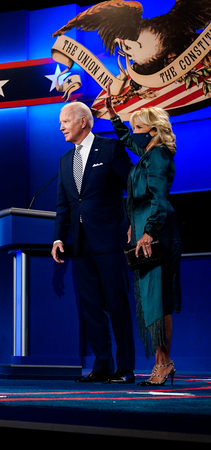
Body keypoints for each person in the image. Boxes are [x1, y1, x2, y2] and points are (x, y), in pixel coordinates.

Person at [53, 101, 136, 384]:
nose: (61, 126)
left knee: (117, 305)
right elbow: (64, 205)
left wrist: (134, 225)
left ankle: (125, 369)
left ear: (83, 122)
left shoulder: (110, 149)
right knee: (91, 308)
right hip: (80, 246)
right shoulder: (65, 160)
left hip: (110, 241)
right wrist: (57, 238)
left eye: (65, 120)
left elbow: (134, 188)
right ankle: (102, 366)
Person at [106, 90, 182, 387]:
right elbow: (126, 139)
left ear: (153, 130)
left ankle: (164, 364)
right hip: (144, 231)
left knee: (159, 299)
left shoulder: (159, 155)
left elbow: (159, 199)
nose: (134, 132)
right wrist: (114, 115)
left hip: (158, 232)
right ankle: (161, 363)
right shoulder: (148, 152)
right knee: (151, 299)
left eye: (138, 127)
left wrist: (148, 231)